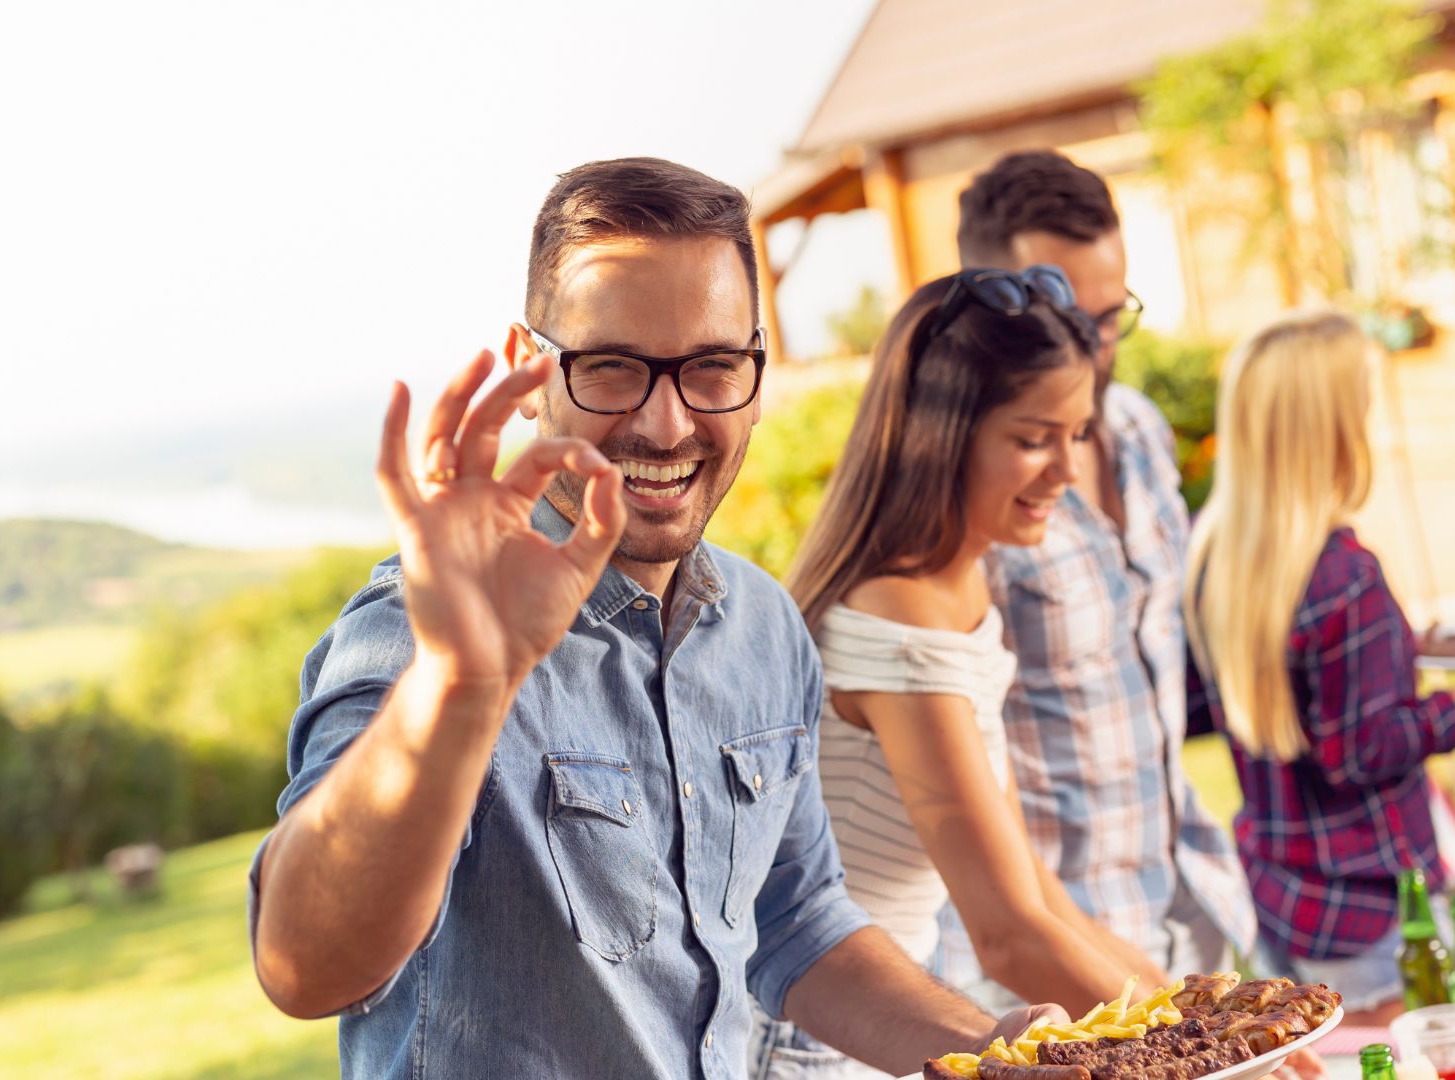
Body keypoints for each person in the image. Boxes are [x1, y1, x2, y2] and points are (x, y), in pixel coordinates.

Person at [246, 157, 1056, 1079]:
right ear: (528, 367)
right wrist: (461, 685)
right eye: (612, 368)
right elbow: (302, 968)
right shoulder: (415, 634)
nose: (667, 425)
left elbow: (799, 924)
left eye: (712, 368)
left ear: (756, 367)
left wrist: (997, 1054)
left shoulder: (762, 625)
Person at [748, 266, 1157, 1077]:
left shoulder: (954, 589)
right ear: (942, 434)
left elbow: (1035, 891)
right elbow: (1006, 931)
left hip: (886, 1019)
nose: (1066, 471)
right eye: (1033, 438)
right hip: (820, 1047)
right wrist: (1198, 1050)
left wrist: (1210, 1015)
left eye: (1075, 434)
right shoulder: (897, 614)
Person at [1183, 311, 1455, 1022]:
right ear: (1327, 428)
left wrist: (1406, 647)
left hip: (1285, 900)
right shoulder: (1343, 573)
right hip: (1374, 912)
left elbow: (1301, 694)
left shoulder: (1222, 556)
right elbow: (1363, 749)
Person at [937, 150, 1257, 990]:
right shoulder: (962, 488)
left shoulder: (1143, 431)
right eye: (1076, 318)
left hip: (1185, 913)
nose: (1100, 346)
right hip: (1049, 964)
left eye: (1115, 314)